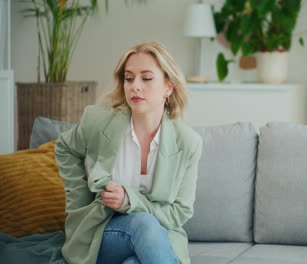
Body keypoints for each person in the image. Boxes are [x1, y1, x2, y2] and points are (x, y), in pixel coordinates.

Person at [55, 41, 202, 264]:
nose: (135, 86)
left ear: (168, 87)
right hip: (101, 233)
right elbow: (65, 148)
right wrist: (79, 200)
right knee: (143, 224)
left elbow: (179, 213)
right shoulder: (98, 122)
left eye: (146, 78)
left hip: (159, 237)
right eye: (129, 78)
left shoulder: (188, 142)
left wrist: (128, 200)